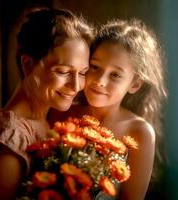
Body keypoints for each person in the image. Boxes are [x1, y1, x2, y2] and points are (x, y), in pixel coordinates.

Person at [49, 18, 167, 200]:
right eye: (95, 67)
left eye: (115, 75)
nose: (100, 81)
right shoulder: (61, 112)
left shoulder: (140, 133)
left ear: (134, 84)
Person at [0, 8, 93, 200]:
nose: (76, 86)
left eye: (82, 72)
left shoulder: (49, 116)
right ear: (28, 65)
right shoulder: (12, 137)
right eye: (63, 71)